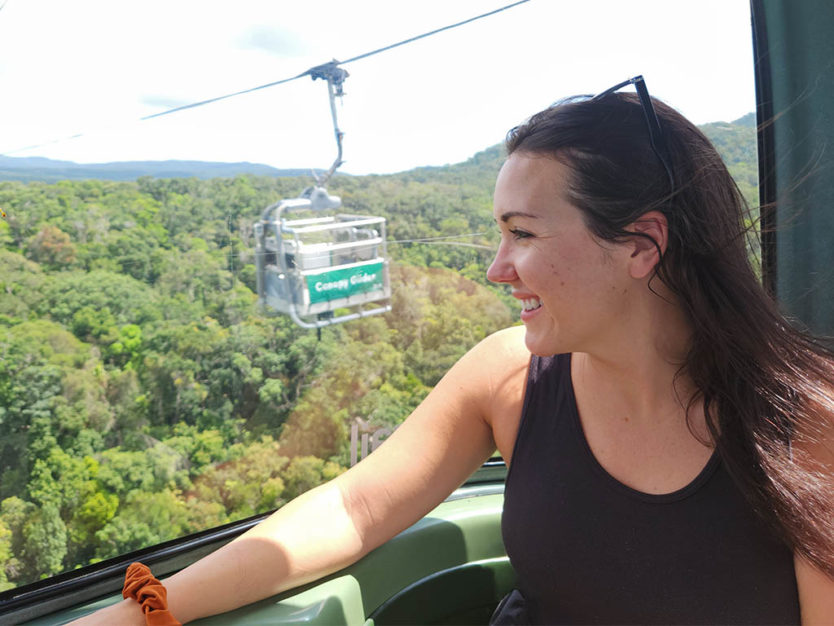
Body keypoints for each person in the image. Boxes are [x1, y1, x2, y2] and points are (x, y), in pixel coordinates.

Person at [74, 77, 834, 625]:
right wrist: (145, 608)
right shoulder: (510, 378)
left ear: (640, 246)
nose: (496, 268)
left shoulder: (807, 427)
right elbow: (356, 506)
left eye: (523, 234)